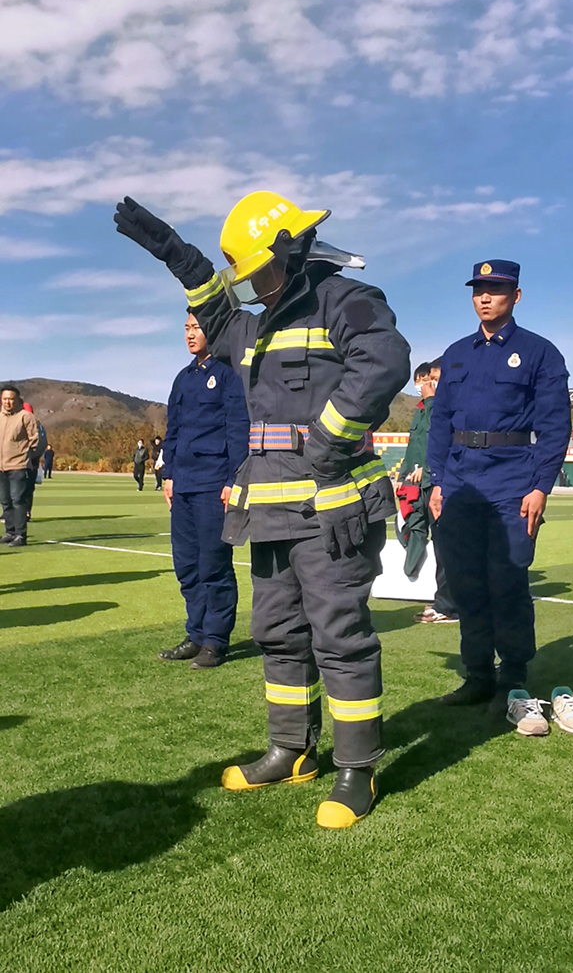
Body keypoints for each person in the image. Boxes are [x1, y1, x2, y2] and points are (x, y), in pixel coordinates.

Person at [114, 191, 410, 829]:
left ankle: (356, 769)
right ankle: (290, 750)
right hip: (269, 509)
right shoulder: (251, 322)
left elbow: (385, 360)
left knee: (340, 638)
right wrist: (176, 254)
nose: (254, 284)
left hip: (332, 508)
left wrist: (330, 438)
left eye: (259, 271)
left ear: (290, 250)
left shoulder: (345, 300)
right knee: (277, 633)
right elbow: (214, 314)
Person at [427, 260, 571, 716]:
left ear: (516, 296)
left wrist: (541, 486)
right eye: (479, 289)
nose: (485, 297)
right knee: (467, 584)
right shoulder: (455, 354)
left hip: (513, 481)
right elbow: (440, 423)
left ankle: (513, 677)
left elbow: (555, 426)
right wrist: (437, 482)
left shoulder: (539, 353)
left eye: (496, 289)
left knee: (507, 582)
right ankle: (477, 676)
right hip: (460, 481)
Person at [158, 315, 250, 667]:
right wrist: (168, 474)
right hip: (182, 484)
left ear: (214, 332)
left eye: (197, 328)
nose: (191, 335)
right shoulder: (183, 378)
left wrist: (232, 480)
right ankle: (195, 634)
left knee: (214, 565)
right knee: (187, 565)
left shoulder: (228, 376)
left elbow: (237, 431)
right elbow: (174, 430)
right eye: (186, 329)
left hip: (213, 484)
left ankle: (216, 640)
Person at [397, 362, 459, 623]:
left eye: (432, 379)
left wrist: (428, 469)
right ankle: (442, 599)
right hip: (419, 485)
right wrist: (402, 477)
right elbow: (416, 446)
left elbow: (440, 439)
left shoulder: (444, 405)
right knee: (411, 530)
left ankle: (448, 605)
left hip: (441, 484)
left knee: (447, 547)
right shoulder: (421, 409)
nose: (427, 385)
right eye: (425, 380)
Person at [0, 384, 38, 547]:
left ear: (17, 400)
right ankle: (10, 532)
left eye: (11, 399)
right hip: (1, 467)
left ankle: (20, 535)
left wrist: (27, 457)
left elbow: (35, 440)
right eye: (5, 399)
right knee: (5, 501)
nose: (7, 402)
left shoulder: (25, 416)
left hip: (18, 465)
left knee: (18, 500)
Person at [22, 402, 47, 521]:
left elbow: (41, 444)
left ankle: (24, 512)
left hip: (29, 461)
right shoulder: (38, 425)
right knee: (24, 487)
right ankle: (23, 512)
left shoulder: (35, 425)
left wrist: (31, 455)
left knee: (25, 487)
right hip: (29, 460)